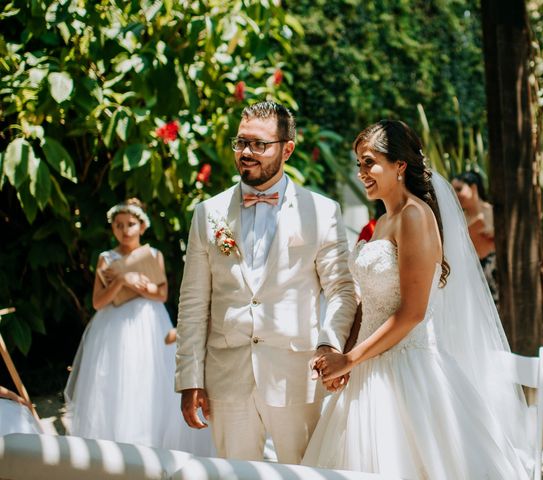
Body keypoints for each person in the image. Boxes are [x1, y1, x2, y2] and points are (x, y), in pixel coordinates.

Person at [302, 120, 533, 479]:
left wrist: (349, 359)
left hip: (408, 373)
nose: (361, 172)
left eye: (369, 162)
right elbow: (370, 303)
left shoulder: (414, 216)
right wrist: (342, 354)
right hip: (369, 368)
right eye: (358, 164)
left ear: (399, 166)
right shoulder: (382, 222)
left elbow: (412, 313)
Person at [175, 101, 356, 464]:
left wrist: (329, 344)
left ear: (287, 149)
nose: (246, 153)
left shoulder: (321, 212)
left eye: (259, 144)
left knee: (305, 473)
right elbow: (193, 301)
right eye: (241, 143)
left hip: (296, 375)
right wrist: (189, 377)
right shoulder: (207, 213)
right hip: (227, 378)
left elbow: (342, 289)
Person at [64, 199, 213, 455]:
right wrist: (121, 280)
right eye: (118, 225)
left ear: (142, 226)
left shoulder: (154, 255)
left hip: (148, 324)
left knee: (149, 375)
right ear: (112, 228)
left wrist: (144, 287)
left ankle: (150, 443)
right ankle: (113, 446)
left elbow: (162, 293)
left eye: (130, 224)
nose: (125, 230)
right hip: (113, 328)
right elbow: (98, 302)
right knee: (114, 378)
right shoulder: (106, 259)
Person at [452, 171, 498, 304]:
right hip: (473, 276)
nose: (456, 194)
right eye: (453, 190)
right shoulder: (458, 220)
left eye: (459, 189)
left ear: (473, 188)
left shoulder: (493, 212)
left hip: (497, 272)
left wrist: (494, 234)